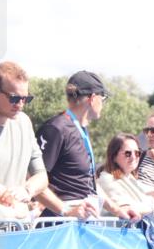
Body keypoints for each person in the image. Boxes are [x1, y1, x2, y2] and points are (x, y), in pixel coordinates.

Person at [0, 61, 84, 218]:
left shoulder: (24, 122)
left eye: (26, 99)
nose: (20, 104)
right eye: (14, 98)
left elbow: (42, 177)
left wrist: (27, 189)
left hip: (14, 226)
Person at [36, 71, 140, 219]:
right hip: (61, 224)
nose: (103, 104)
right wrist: (66, 211)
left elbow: (89, 186)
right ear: (92, 98)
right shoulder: (56, 128)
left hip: (81, 218)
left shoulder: (80, 129)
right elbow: (34, 180)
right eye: (102, 99)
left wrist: (117, 210)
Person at [96, 133, 154, 214]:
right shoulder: (107, 178)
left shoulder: (129, 179)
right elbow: (127, 210)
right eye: (128, 153)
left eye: (137, 153)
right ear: (114, 156)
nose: (133, 157)